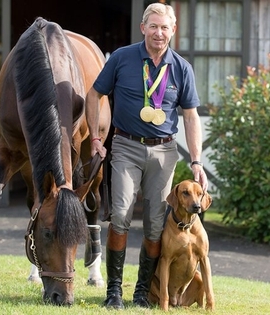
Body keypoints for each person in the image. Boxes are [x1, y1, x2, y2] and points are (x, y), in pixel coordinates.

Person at [85, 2, 208, 309]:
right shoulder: (123, 58)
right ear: (143, 28)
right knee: (122, 215)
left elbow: (191, 117)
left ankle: (141, 292)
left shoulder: (181, 68)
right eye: (153, 26)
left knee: (155, 225)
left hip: (165, 151)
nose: (159, 33)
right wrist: (96, 138)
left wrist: (196, 160)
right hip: (126, 146)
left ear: (173, 30)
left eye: (165, 27)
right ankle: (114, 290)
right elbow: (93, 95)